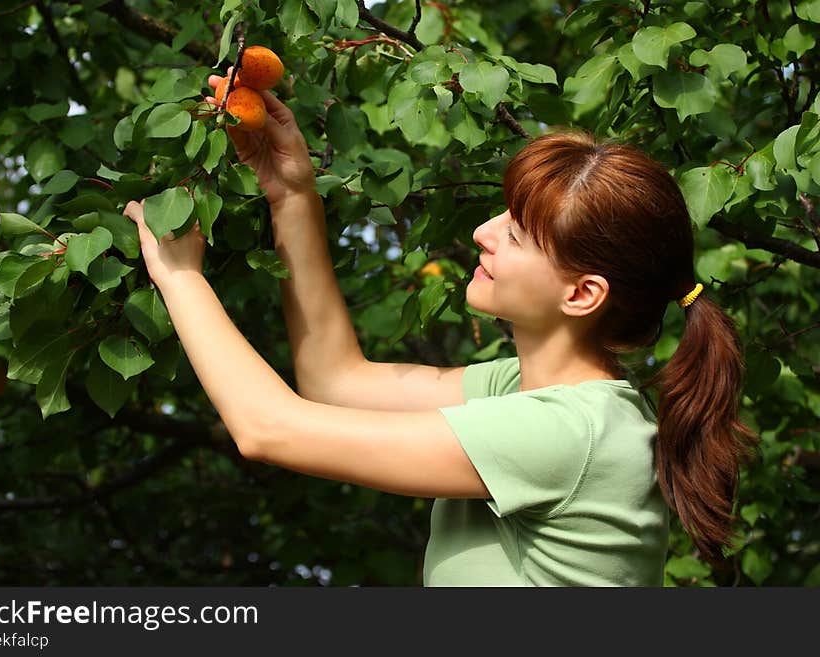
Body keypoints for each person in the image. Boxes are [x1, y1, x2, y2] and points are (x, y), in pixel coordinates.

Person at [122, 76, 758, 586]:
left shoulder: (570, 433)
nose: (482, 231)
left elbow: (269, 429)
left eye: (515, 233)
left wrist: (181, 279)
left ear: (581, 293)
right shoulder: (524, 389)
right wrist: (291, 196)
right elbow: (334, 381)